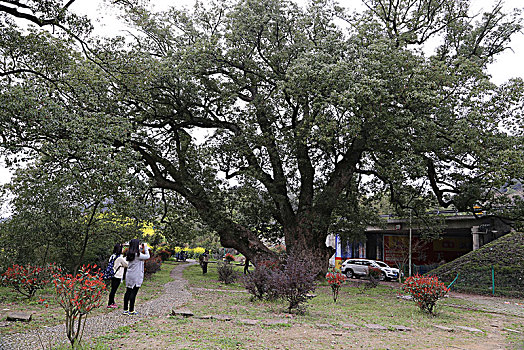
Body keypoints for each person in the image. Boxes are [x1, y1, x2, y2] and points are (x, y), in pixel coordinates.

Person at [122, 239, 150, 316]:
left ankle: (125, 309)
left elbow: (139, 252)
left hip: (129, 274)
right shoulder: (137, 255)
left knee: (128, 291)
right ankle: (131, 310)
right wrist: (146, 247)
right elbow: (147, 256)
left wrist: (141, 248)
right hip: (136, 275)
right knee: (133, 293)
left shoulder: (129, 254)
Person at [107, 243, 128, 308]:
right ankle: (110, 303)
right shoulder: (120, 258)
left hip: (112, 274)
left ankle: (112, 302)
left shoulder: (112, 256)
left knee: (112, 289)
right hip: (117, 275)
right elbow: (126, 264)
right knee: (114, 290)